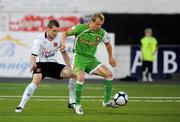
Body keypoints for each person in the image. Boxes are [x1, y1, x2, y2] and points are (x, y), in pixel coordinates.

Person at [61, 13, 117, 115]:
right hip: (79, 57)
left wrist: (111, 57)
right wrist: (63, 44)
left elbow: (108, 44)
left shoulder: (102, 33)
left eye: (101, 24)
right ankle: (77, 105)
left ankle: (106, 101)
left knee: (109, 75)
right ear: (91, 21)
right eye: (97, 24)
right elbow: (65, 33)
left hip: (91, 60)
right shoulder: (80, 28)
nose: (99, 27)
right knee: (81, 78)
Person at [15, 20, 75, 112]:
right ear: (48, 29)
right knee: (35, 82)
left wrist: (69, 66)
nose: (56, 33)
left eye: (57, 31)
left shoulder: (59, 39)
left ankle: (71, 101)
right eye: (54, 31)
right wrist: (34, 65)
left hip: (53, 64)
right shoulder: (39, 39)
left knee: (72, 74)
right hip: (41, 64)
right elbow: (33, 56)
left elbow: (64, 54)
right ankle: (21, 106)